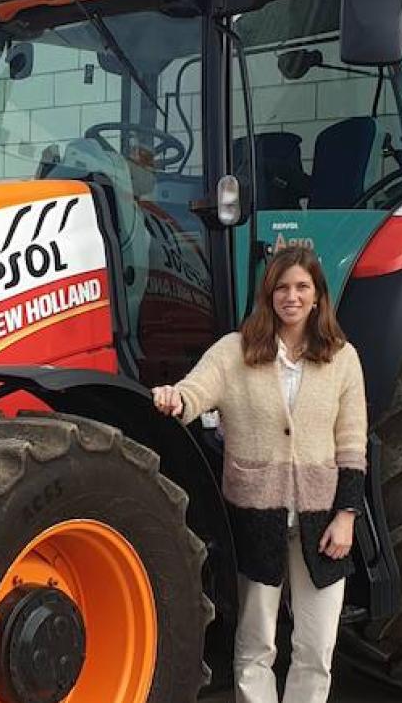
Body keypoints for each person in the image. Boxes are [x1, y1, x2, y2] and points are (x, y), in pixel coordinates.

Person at [152, 245, 367, 703]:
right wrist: (176, 398)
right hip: (256, 519)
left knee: (315, 646)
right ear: (269, 295)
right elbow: (197, 390)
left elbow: (352, 445)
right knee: (256, 644)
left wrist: (346, 516)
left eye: (302, 287)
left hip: (323, 520)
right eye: (282, 287)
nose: (292, 296)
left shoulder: (342, 358)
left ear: (317, 296)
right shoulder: (237, 350)